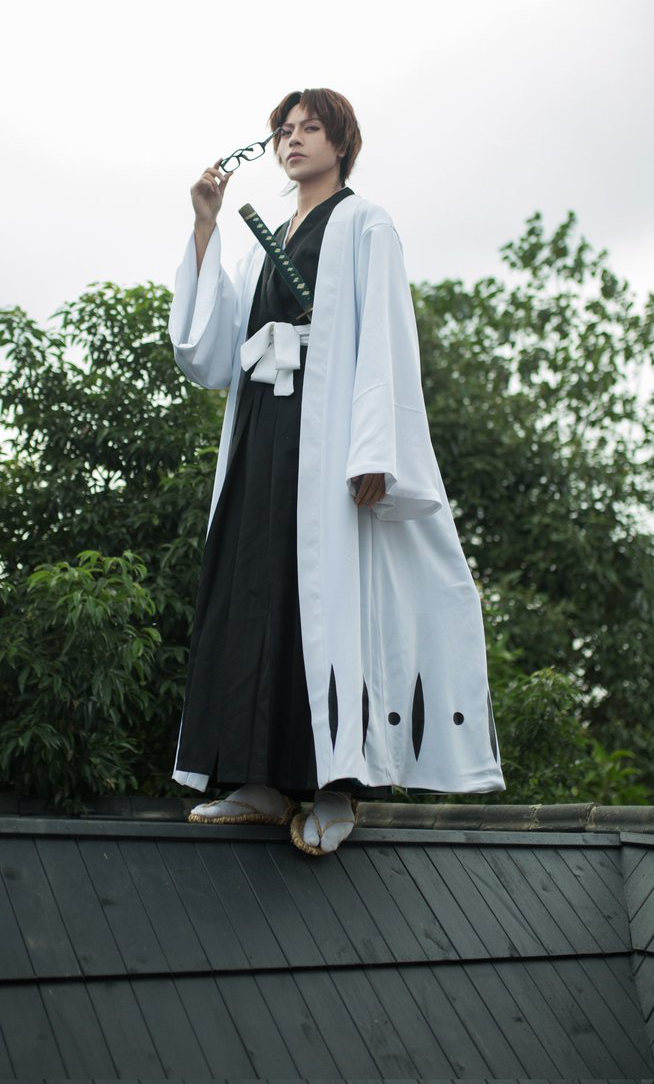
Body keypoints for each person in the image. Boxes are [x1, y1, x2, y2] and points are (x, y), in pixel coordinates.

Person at [170, 88, 504, 855]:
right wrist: (205, 224)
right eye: (284, 130)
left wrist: (375, 450)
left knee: (333, 606)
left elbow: (385, 335)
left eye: (309, 128)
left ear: (342, 142)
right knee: (254, 592)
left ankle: (336, 787)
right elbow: (211, 355)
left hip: (330, 438)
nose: (292, 140)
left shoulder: (364, 223)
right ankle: (257, 779)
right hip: (261, 433)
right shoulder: (260, 244)